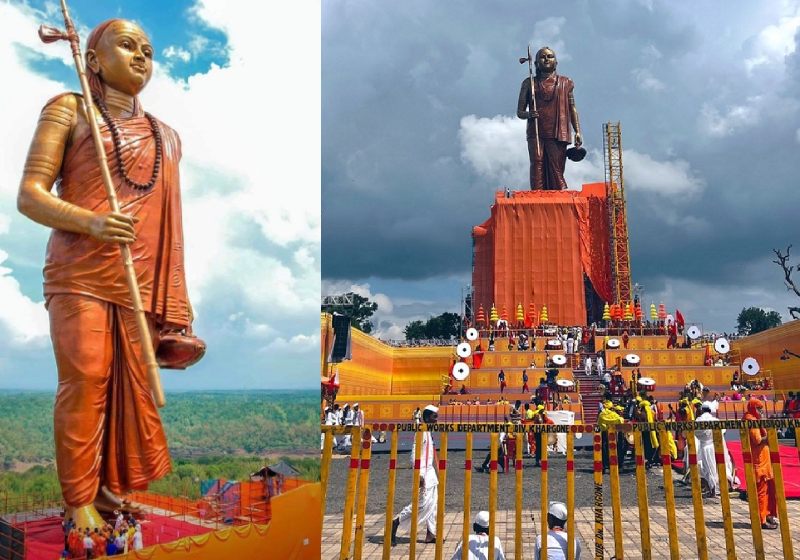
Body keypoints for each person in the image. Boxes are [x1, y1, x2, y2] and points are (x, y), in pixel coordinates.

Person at [17, 19, 194, 528]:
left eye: (148, 49)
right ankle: (78, 498)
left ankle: (108, 488)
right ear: (93, 59)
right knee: (88, 377)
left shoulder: (166, 137)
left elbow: (170, 229)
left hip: (138, 278)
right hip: (80, 271)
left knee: (126, 388)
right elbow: (30, 195)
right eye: (126, 45)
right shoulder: (69, 110)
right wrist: (89, 221)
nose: (141, 56)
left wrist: (176, 303)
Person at [517, 47, 582, 190]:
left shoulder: (566, 83)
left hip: (558, 131)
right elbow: (520, 112)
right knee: (537, 164)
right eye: (542, 57)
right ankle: (537, 195)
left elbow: (572, 108)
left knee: (556, 167)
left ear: (556, 62)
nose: (546, 59)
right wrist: (529, 114)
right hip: (536, 131)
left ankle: (559, 193)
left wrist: (577, 131)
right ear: (536, 63)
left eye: (550, 56)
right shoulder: (529, 83)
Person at [391, 405, 440, 545]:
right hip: (423, 472)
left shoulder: (428, 431)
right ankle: (396, 521)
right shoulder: (421, 432)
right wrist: (419, 474)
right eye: (434, 417)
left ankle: (431, 533)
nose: (436, 420)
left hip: (430, 472)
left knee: (433, 504)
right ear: (426, 418)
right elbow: (414, 454)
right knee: (422, 504)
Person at [744, 399, 779, 529]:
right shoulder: (750, 420)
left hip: (765, 460)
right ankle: (761, 520)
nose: (761, 411)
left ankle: (769, 515)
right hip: (758, 461)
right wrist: (770, 435)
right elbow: (757, 440)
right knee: (761, 492)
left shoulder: (756, 419)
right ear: (753, 408)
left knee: (770, 490)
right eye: (759, 408)